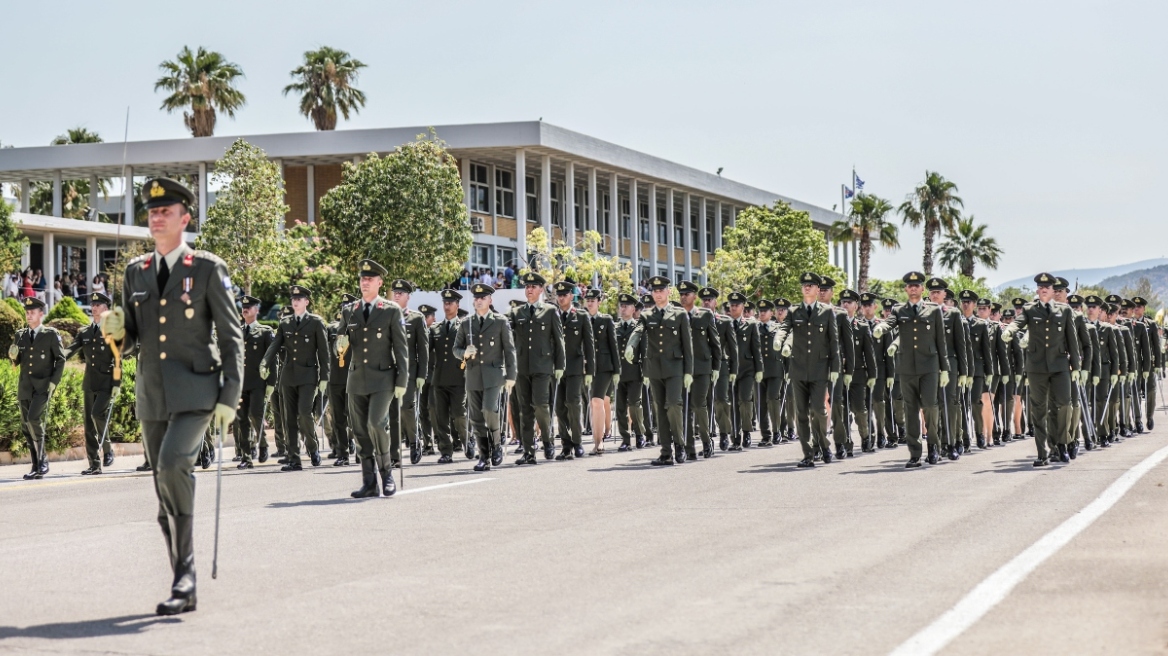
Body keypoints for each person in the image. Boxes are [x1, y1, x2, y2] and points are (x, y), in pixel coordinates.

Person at [98, 176, 243, 616]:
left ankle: (186, 574)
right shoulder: (135, 272)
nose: (157, 217)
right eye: (152, 211)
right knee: (164, 488)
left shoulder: (206, 267)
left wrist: (229, 397)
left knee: (173, 463)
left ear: (185, 218)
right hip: (153, 395)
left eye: (166, 211)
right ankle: (184, 578)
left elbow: (232, 335)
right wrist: (117, 332)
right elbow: (134, 340)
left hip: (199, 391)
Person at [336, 259, 408, 497]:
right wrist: (340, 344)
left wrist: (402, 380)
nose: (364, 282)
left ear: (379, 282)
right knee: (360, 431)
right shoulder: (350, 311)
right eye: (362, 279)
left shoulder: (390, 310)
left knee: (376, 423)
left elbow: (401, 348)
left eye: (369, 279)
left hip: (383, 379)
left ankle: (387, 475)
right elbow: (340, 340)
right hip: (357, 379)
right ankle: (369, 483)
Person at [1001, 273, 1083, 466]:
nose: (1044, 289)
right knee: (1039, 410)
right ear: (1037, 290)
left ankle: (1061, 445)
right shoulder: (1030, 309)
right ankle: (1042, 452)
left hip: (1060, 366)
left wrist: (1076, 367)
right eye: (1041, 286)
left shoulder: (1064, 311)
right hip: (1037, 367)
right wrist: (1009, 330)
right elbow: (1018, 322)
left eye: (1048, 287)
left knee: (1063, 406)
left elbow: (1072, 340)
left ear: (1053, 291)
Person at [872, 271, 949, 468]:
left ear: (922, 289)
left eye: (917, 285)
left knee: (931, 407)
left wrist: (944, 369)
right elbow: (890, 322)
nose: (913, 288)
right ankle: (915, 452)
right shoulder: (899, 310)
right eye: (910, 285)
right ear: (906, 289)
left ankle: (933, 446)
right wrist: (882, 328)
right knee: (910, 409)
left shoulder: (933, 310)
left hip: (929, 367)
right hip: (906, 368)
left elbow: (941, 341)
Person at [774, 273, 841, 467]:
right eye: (804, 285)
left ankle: (824, 445)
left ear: (818, 289)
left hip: (820, 370)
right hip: (798, 369)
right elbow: (785, 327)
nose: (807, 288)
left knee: (819, 411)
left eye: (811, 285)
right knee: (801, 413)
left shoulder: (827, 312)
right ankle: (808, 454)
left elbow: (833, 342)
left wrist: (835, 368)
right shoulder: (794, 311)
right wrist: (778, 339)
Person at [625, 275, 693, 465]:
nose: (657, 294)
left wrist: (689, 371)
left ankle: (679, 444)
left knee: (673, 405)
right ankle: (665, 451)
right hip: (654, 369)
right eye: (654, 291)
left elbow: (687, 345)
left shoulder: (679, 314)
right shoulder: (647, 315)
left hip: (675, 368)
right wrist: (630, 345)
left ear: (668, 292)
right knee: (659, 411)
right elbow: (638, 331)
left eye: (661, 290)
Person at [261, 284, 329, 471]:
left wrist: (324, 376)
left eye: (299, 299)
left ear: (306, 302)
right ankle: (294, 458)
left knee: (305, 414)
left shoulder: (316, 322)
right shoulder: (285, 323)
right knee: (288, 418)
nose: (295, 302)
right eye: (293, 299)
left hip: (308, 375)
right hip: (288, 376)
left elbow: (323, 353)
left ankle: (312, 446)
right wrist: (265, 361)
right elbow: (275, 345)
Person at [65, 291, 134, 474]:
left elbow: (119, 358)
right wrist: (54, 358)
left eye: (98, 305)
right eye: (93, 305)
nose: (94, 308)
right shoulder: (84, 332)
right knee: (88, 425)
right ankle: (94, 464)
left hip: (107, 383)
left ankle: (108, 448)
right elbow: (69, 350)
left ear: (106, 308)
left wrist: (117, 384)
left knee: (97, 414)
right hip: (89, 383)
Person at [454, 283, 517, 471]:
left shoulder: (500, 321)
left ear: (490, 300)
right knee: (475, 417)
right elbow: (455, 349)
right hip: (473, 375)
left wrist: (511, 376)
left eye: (482, 298)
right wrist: (465, 352)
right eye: (476, 298)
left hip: (494, 375)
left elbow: (509, 350)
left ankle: (496, 444)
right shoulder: (466, 323)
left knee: (489, 409)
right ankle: (484, 456)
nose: (478, 301)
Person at [508, 272, 565, 464]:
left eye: (533, 286)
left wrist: (560, 365)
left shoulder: (550, 311)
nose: (529, 289)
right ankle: (528, 451)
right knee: (524, 410)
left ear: (541, 289)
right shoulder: (517, 312)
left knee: (541, 405)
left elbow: (558, 340)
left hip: (543, 367)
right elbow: (508, 339)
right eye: (527, 287)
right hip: (522, 367)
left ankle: (548, 440)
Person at [9, 296, 67, 479]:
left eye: (32, 312)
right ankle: (35, 466)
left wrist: (53, 383)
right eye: (27, 312)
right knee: (26, 425)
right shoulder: (21, 335)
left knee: (34, 419)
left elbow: (61, 359)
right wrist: (13, 356)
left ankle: (43, 461)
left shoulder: (50, 334)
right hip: (25, 387)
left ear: (41, 314)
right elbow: (17, 361)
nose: (28, 315)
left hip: (42, 386)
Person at [388, 279, 429, 466]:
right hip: (388, 372)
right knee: (391, 412)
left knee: (406, 407)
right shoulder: (385, 316)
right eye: (395, 292)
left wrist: (422, 374)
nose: (396, 295)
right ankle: (394, 454)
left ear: (408, 297)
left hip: (410, 372)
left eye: (400, 293)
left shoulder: (416, 318)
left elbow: (423, 349)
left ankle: (414, 441)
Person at [678, 281, 721, 459]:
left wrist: (716, 367)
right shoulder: (675, 315)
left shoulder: (704, 315)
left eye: (687, 293)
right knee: (684, 408)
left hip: (702, 367)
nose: (683, 297)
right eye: (681, 294)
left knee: (698, 404)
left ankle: (705, 440)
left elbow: (715, 342)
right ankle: (689, 448)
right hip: (680, 368)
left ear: (694, 296)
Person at [553, 280, 595, 460]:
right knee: (559, 407)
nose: (561, 298)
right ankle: (565, 444)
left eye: (564, 295)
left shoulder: (581, 315)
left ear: (571, 296)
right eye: (559, 295)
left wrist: (590, 371)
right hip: (556, 369)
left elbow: (589, 344)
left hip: (575, 367)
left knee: (573, 403)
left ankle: (577, 442)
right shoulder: (551, 315)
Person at [234, 295, 275, 469]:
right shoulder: (236, 331)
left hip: (258, 382)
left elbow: (272, 358)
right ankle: (246, 456)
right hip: (240, 383)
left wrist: (271, 382)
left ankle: (263, 443)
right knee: (241, 419)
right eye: (243, 307)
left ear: (256, 310)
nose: (245, 309)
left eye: (249, 307)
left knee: (255, 415)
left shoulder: (265, 332)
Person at [430, 290, 470, 463]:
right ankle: (446, 451)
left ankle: (467, 441)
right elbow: (427, 351)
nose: (447, 306)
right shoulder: (435, 328)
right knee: (441, 418)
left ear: (457, 305)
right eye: (445, 303)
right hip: (439, 379)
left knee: (459, 414)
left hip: (459, 378)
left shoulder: (464, 327)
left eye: (450, 303)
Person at [583, 288, 620, 455]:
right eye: (588, 300)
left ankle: (599, 442)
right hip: (585, 367)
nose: (590, 303)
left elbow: (614, 346)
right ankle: (596, 438)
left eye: (593, 300)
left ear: (599, 302)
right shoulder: (581, 319)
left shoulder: (606, 320)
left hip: (604, 367)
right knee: (591, 404)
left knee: (597, 402)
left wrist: (617, 370)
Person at [726, 292, 762, 450]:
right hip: (729, 369)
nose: (733, 308)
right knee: (733, 403)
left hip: (747, 368)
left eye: (736, 305)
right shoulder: (723, 323)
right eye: (731, 305)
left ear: (742, 307)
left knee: (745, 400)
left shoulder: (751, 325)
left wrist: (759, 369)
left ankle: (747, 430)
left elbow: (757, 348)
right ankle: (735, 435)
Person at [614, 293, 646, 451]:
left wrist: (646, 372)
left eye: (626, 305)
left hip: (634, 372)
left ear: (634, 309)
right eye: (621, 305)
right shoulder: (614, 327)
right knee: (620, 408)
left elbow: (644, 351)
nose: (623, 308)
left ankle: (639, 434)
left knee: (634, 405)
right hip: (618, 373)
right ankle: (625, 438)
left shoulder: (639, 327)